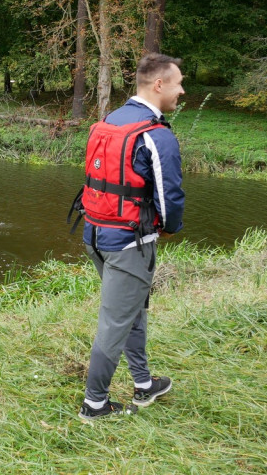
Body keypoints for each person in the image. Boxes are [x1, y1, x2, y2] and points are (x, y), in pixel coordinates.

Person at [71, 53, 186, 421]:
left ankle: (143, 382)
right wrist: (168, 228)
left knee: (132, 309)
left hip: (94, 234)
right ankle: (95, 405)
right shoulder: (156, 135)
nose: (181, 90)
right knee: (115, 323)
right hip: (130, 243)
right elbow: (170, 199)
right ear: (158, 85)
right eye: (178, 83)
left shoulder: (107, 122)